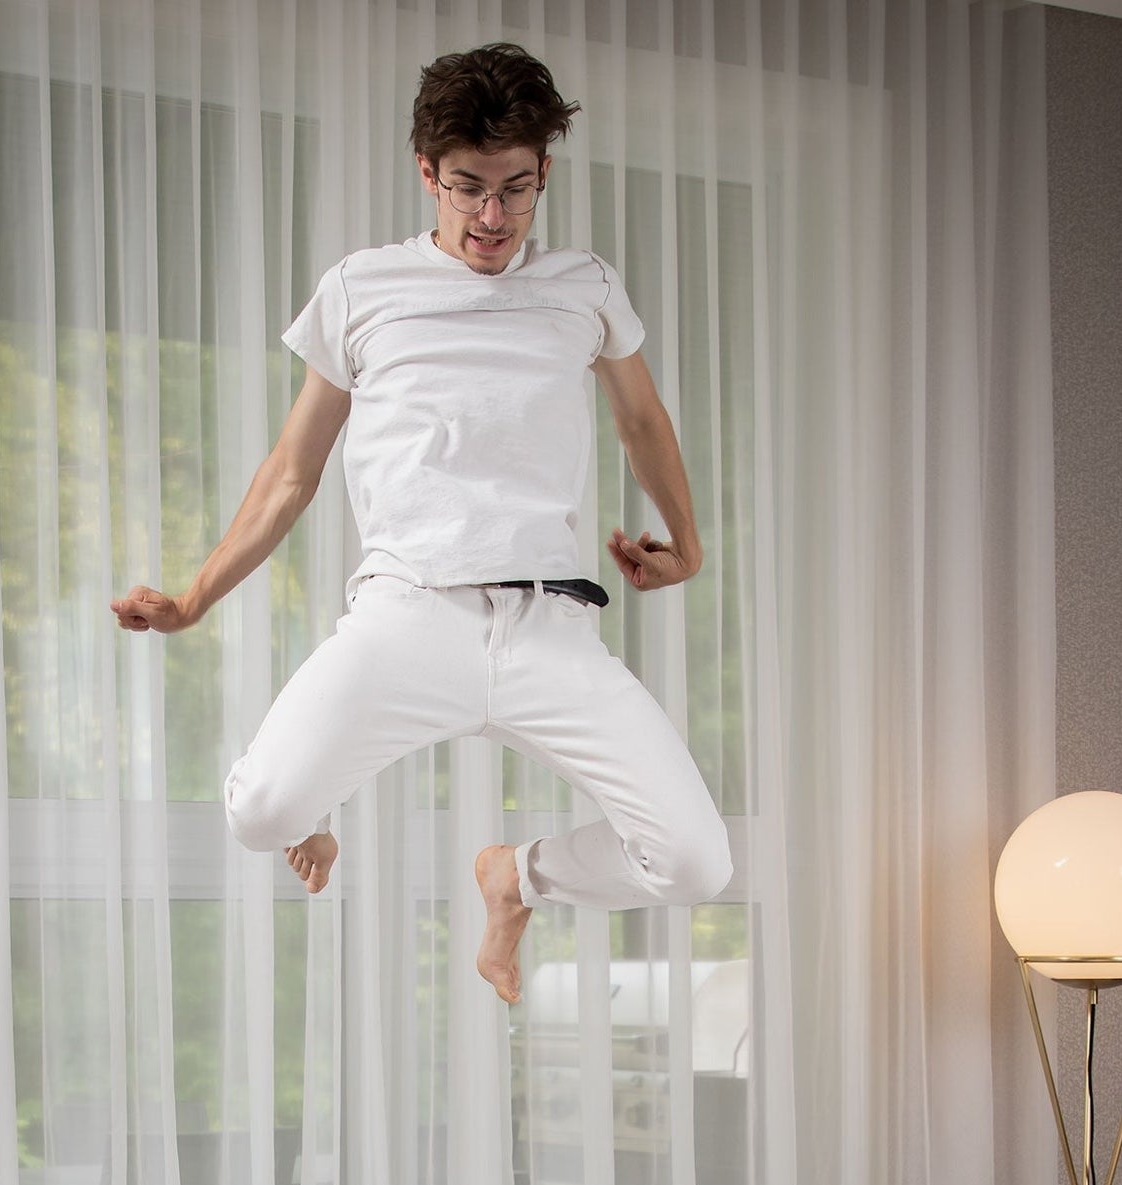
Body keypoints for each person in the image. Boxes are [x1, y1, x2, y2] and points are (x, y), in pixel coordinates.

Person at [112, 41, 729, 1004]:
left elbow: (642, 418)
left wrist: (688, 547)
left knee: (696, 863)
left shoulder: (585, 285)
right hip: (409, 616)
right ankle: (317, 813)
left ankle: (514, 877)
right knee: (261, 809)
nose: (494, 217)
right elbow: (291, 471)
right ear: (427, 174)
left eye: (517, 190)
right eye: (470, 188)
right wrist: (192, 600)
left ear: (543, 175)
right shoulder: (363, 289)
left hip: (549, 627)